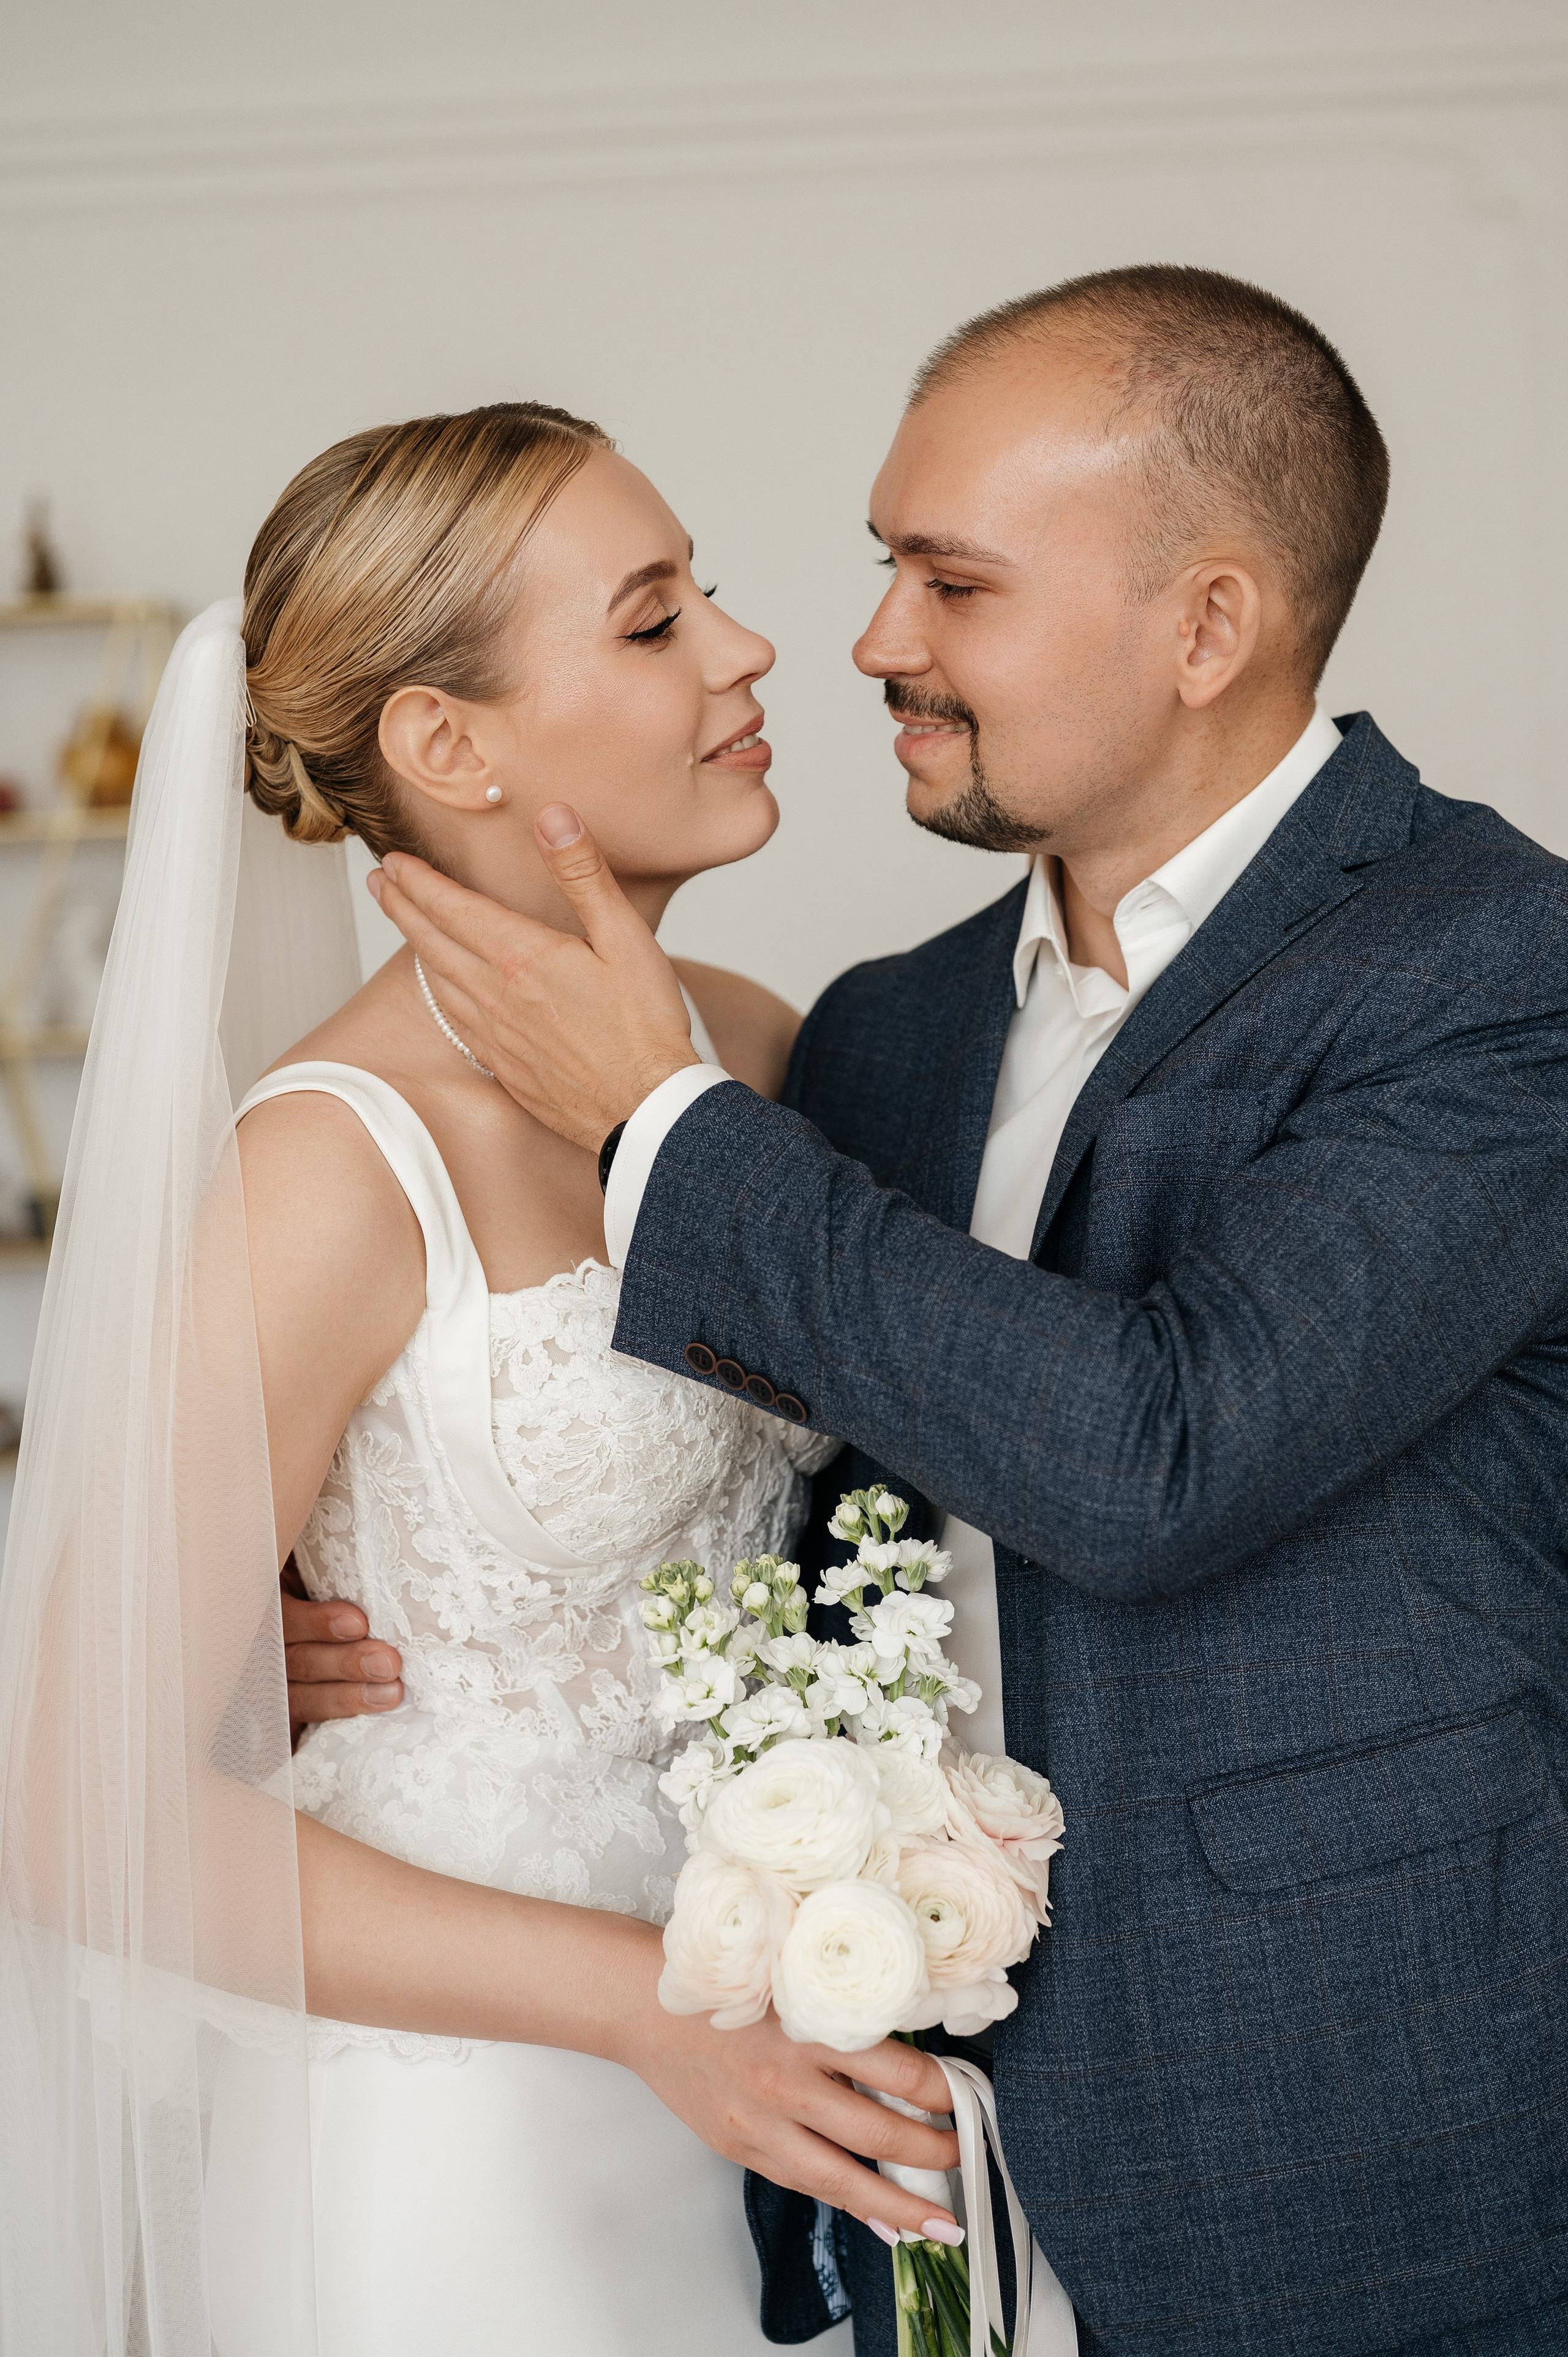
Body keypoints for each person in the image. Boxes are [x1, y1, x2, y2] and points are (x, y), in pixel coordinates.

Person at [348, 270, 1568, 2356]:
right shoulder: (889, 1036)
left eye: (955, 584)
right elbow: (788, 1498)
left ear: (1208, 626)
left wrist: (660, 1117)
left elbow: (1159, 1455)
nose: (872, 642)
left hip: (1364, 2141)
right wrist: (344, 1618)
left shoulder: (1496, 966)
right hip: (910, 2169)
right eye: (882, 566)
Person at [0, 402, 968, 2357]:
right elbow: (68, 1804)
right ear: (446, 744)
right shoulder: (337, 1165)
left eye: (705, 591)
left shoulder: (768, 1060)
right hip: (463, 2140)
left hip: (781, 2093)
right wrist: (635, 2006)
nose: (746, 648)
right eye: (648, 619)